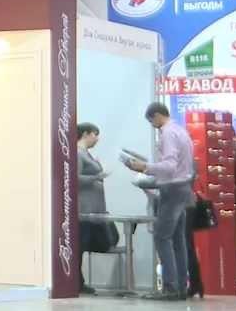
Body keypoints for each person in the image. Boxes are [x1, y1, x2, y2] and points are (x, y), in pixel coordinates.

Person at [124, 102, 195, 300]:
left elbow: (170, 166)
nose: (153, 126)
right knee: (178, 240)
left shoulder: (167, 134)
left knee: (162, 237)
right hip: (183, 187)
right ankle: (181, 287)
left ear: (156, 116)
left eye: (151, 121)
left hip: (171, 189)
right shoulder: (181, 131)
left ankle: (170, 288)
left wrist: (144, 167)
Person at [76, 123, 110, 296]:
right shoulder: (78, 154)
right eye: (95, 134)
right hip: (85, 209)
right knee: (80, 245)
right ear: (85, 134)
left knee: (85, 244)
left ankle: (78, 281)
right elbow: (75, 178)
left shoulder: (87, 154)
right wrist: (96, 177)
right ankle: (77, 282)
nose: (97, 139)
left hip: (94, 209)